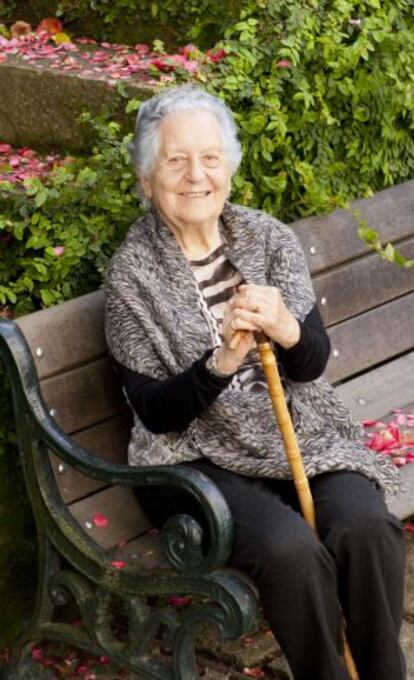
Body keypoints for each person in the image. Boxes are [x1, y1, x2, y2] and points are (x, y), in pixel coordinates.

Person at [104, 85, 406, 680]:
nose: (196, 176)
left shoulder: (268, 240)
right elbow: (158, 414)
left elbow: (311, 362)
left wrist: (288, 329)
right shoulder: (130, 278)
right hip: (188, 459)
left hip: (292, 432)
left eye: (211, 158)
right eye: (175, 160)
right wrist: (219, 364)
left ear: (230, 170)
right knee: (291, 551)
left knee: (366, 527)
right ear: (147, 179)